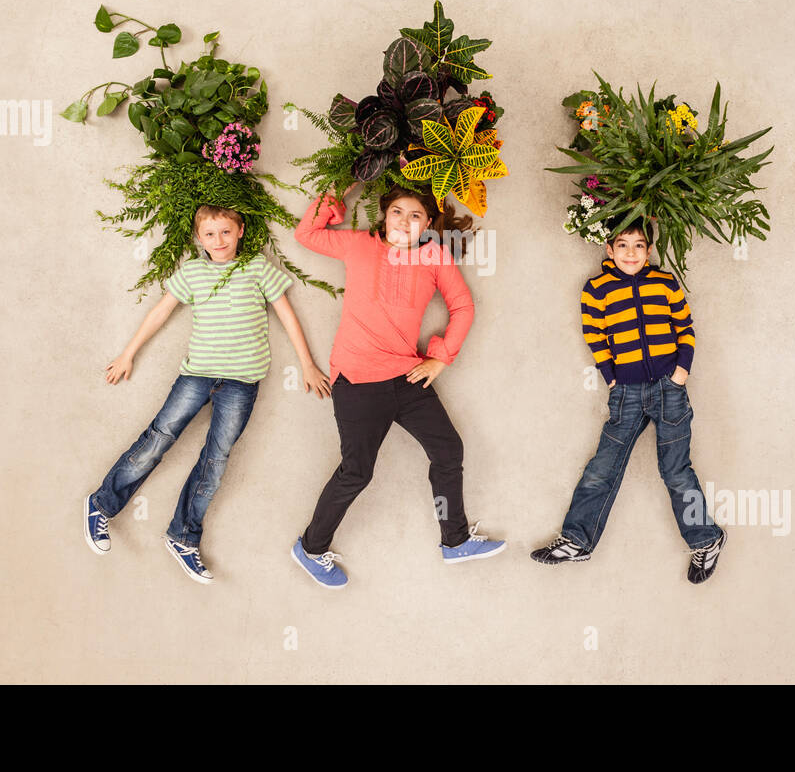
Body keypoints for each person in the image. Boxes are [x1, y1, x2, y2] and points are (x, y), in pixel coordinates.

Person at [83, 204, 330, 584]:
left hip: (241, 383)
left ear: (241, 231)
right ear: (199, 239)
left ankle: (183, 535)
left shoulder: (258, 269)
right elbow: (160, 312)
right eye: (210, 234)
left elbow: (287, 315)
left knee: (216, 459)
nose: (219, 240)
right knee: (158, 438)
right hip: (196, 375)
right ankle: (101, 504)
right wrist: (127, 354)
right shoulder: (193, 272)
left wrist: (307, 364)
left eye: (226, 232)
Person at [289, 182, 505, 588]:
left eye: (416, 215)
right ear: (384, 214)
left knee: (448, 450)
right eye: (397, 212)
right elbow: (306, 235)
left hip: (407, 377)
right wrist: (340, 189)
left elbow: (463, 305)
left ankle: (454, 540)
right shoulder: (357, 245)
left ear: (427, 223)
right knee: (356, 472)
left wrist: (441, 358)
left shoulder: (434, 256)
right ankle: (311, 547)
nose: (405, 221)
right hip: (357, 380)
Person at [530, 219, 727, 582]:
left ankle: (707, 539)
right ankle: (576, 540)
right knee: (602, 467)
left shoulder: (665, 282)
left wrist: (681, 372)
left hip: (670, 389)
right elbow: (595, 336)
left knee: (675, 470)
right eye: (623, 245)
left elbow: (685, 328)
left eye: (639, 245)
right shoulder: (597, 289)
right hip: (627, 393)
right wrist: (613, 379)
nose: (631, 253)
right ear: (609, 249)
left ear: (649, 250)